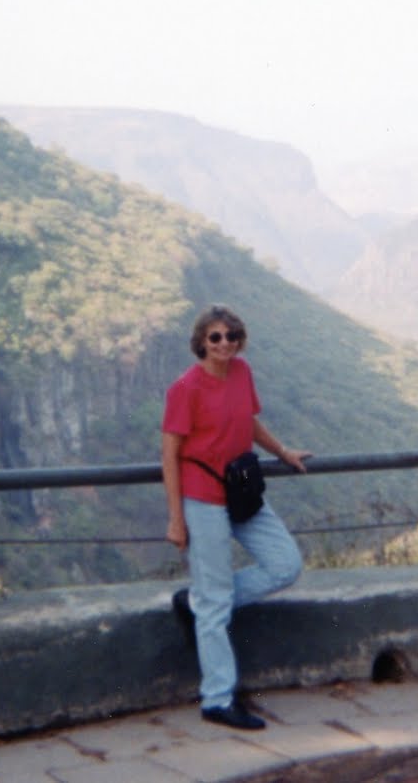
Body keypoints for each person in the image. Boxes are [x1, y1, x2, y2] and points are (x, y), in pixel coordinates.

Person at [162, 305, 311, 730]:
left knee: (285, 564)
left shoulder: (242, 372)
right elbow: (169, 455)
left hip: (241, 489)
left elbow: (249, 422)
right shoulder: (185, 389)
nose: (224, 343)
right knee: (215, 603)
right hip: (203, 496)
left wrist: (283, 451)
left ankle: (199, 602)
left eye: (231, 336)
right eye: (215, 337)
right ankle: (217, 699)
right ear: (201, 342)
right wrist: (176, 519)